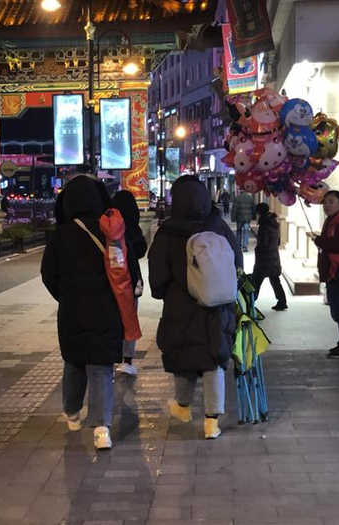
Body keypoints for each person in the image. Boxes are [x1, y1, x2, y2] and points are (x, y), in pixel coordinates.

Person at [149, 175, 243, 439]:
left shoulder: (167, 232)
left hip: (180, 306)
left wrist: (166, 292)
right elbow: (237, 262)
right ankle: (212, 422)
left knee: (184, 356)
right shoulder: (219, 227)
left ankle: (183, 406)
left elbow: (158, 278)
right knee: (215, 359)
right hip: (217, 306)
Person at [41, 175, 123, 450]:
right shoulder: (109, 229)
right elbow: (127, 268)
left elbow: (48, 275)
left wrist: (65, 296)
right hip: (106, 309)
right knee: (101, 366)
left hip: (72, 311)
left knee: (75, 362)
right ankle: (101, 429)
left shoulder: (60, 235)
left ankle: (72, 413)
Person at [308, 190, 339, 359]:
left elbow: (338, 245)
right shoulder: (332, 220)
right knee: (337, 311)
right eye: (325, 202)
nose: (327, 205)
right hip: (333, 272)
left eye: (331, 201)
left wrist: (319, 240)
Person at [110, 190, 147, 376]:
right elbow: (141, 251)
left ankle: (109, 358)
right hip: (129, 280)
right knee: (129, 317)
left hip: (110, 279)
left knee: (112, 318)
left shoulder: (107, 225)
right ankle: (127, 360)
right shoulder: (132, 228)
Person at [252, 202, 288, 311]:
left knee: (256, 281)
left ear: (259, 212)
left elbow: (263, 243)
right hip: (273, 257)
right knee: (275, 280)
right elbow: (278, 242)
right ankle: (282, 301)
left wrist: (257, 248)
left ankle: (250, 302)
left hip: (264, 259)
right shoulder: (274, 223)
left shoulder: (264, 225)